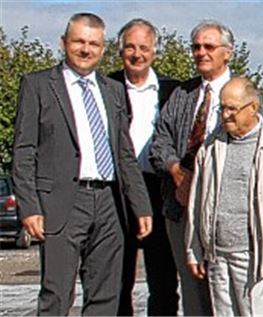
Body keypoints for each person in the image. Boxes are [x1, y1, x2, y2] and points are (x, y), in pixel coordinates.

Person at [12, 12, 153, 316]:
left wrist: (140, 205)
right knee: (57, 294)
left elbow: (124, 153)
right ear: (64, 43)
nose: (86, 49)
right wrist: (30, 206)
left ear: (103, 49)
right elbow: (24, 151)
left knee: (106, 295)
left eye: (94, 43)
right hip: (61, 202)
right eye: (79, 41)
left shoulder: (113, 90)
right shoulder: (38, 85)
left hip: (109, 204)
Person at [184, 77, 263, 316]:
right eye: (223, 108)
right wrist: (193, 249)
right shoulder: (211, 146)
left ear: (253, 107)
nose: (225, 114)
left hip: (258, 257)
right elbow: (196, 203)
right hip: (218, 255)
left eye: (232, 108)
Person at [150, 19, 242, 315]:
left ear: (227, 52)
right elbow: (160, 141)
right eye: (196, 46)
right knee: (192, 292)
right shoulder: (181, 94)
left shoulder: (244, 94)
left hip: (224, 214)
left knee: (226, 292)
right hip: (179, 207)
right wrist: (177, 171)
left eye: (209, 46)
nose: (201, 52)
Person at [106, 17, 181, 316]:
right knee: (116, 278)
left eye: (144, 48)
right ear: (120, 49)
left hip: (157, 190)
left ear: (154, 52)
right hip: (116, 192)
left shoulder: (174, 92)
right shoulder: (105, 86)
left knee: (162, 279)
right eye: (130, 47)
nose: (137, 54)